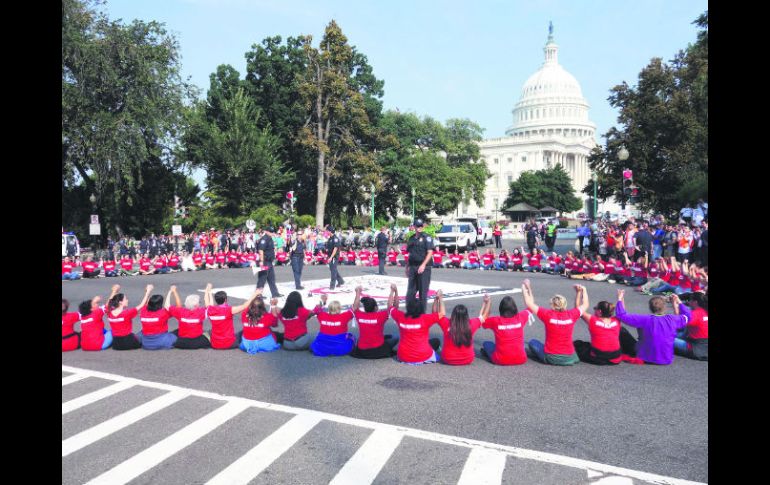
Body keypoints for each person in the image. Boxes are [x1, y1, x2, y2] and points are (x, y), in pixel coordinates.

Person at [616, 290, 691, 365]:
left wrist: (620, 298)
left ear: (650, 307)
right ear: (665, 307)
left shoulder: (644, 319)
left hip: (645, 357)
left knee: (622, 330)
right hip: (666, 358)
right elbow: (688, 315)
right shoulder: (673, 319)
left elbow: (621, 315)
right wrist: (679, 302)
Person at [521, 279, 586, 366]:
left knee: (533, 342)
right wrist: (582, 291)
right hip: (570, 357)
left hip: (551, 357)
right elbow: (585, 304)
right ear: (565, 304)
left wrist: (526, 287)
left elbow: (529, 303)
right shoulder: (571, 315)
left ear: (552, 305)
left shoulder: (548, 315)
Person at [388, 284, 442, 365]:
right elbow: (437, 314)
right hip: (423, 355)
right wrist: (437, 299)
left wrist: (394, 292)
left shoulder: (400, 317)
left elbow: (390, 307)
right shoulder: (425, 319)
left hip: (403, 356)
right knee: (436, 341)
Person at [437, 293, 491, 365]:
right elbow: (484, 316)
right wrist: (487, 302)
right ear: (466, 316)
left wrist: (440, 299)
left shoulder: (446, 323)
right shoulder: (471, 324)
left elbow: (440, 314)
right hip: (468, 359)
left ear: (453, 314)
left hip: (448, 359)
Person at [205, 283, 262, 350]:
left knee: (210, 331)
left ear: (216, 300)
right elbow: (244, 306)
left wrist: (208, 291)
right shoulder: (229, 310)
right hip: (229, 343)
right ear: (225, 300)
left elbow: (207, 303)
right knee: (243, 332)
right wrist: (255, 294)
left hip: (215, 344)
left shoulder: (210, 310)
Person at [480, 294, 533, 365]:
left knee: (487, 344)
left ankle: (491, 355)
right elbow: (531, 307)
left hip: (500, 360)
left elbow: (482, 320)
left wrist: (488, 302)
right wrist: (526, 289)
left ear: (501, 309)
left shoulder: (496, 321)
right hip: (521, 359)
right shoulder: (520, 317)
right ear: (515, 308)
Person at [350, 286, 400, 359]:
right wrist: (394, 291)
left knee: (358, 339)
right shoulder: (381, 315)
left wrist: (358, 292)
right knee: (395, 337)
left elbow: (355, 306)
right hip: (378, 349)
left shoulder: (359, 315)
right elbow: (392, 307)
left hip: (362, 350)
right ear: (376, 307)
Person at [573, 295, 623, 365]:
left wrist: (579, 292)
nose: (594, 310)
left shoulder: (593, 320)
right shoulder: (617, 320)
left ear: (599, 311)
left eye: (595, 308)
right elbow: (622, 312)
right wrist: (620, 298)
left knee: (577, 345)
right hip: (615, 356)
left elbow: (578, 310)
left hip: (599, 356)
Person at [107, 284, 153, 350]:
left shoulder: (110, 313)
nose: (127, 300)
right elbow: (142, 305)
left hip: (116, 344)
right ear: (120, 302)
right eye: (126, 299)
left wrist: (114, 291)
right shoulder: (127, 313)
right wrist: (148, 291)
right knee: (143, 332)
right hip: (129, 342)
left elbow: (109, 304)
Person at [79, 285, 120, 351]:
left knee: (100, 329)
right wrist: (114, 291)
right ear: (91, 309)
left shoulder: (82, 316)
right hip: (99, 345)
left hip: (84, 346)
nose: (97, 304)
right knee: (115, 330)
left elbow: (87, 307)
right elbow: (108, 305)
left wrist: (94, 300)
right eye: (95, 304)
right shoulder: (96, 313)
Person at [405, 219, 434, 312]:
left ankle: (421, 315)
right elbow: (410, 254)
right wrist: (407, 267)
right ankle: (410, 312)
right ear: (414, 227)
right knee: (410, 293)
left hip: (424, 268)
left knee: (422, 293)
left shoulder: (427, 237)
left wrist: (423, 265)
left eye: (421, 226)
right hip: (413, 267)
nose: (419, 228)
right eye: (417, 226)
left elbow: (430, 252)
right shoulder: (411, 238)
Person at [673, 292, 708, 361]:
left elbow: (677, 322)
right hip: (704, 344)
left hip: (694, 347)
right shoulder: (704, 311)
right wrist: (679, 303)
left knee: (664, 337)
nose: (688, 302)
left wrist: (675, 304)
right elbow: (687, 313)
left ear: (695, 302)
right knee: (682, 332)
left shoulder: (695, 314)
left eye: (690, 300)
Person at [256, 227, 282, 297]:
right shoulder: (264, 239)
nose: (273, 233)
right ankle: (258, 294)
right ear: (267, 231)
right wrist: (261, 261)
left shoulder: (270, 238)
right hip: (264, 261)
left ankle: (275, 293)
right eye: (271, 232)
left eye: (273, 232)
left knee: (271, 278)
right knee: (262, 278)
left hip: (269, 261)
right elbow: (261, 250)